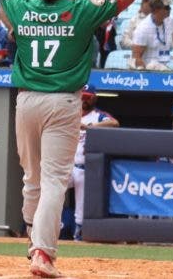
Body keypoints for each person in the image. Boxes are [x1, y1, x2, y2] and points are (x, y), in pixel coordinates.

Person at [0, 0, 134, 277]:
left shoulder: (22, 7)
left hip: (27, 100)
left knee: (32, 179)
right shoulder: (81, 10)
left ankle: (34, 241)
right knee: (54, 180)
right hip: (62, 102)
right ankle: (43, 253)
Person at [69, 84, 119, 241]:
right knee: (50, 193)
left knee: (81, 206)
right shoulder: (69, 113)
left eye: (87, 97)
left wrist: (91, 127)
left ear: (93, 98)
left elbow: (114, 123)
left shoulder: (97, 116)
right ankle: (45, 230)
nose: (83, 100)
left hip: (84, 167)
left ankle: (78, 234)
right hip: (67, 166)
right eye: (81, 96)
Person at [130, 0, 173, 70]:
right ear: (156, 10)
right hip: (149, 69)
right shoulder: (143, 29)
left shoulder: (170, 20)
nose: (170, 9)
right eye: (167, 7)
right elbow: (136, 57)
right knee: (154, 66)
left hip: (166, 64)